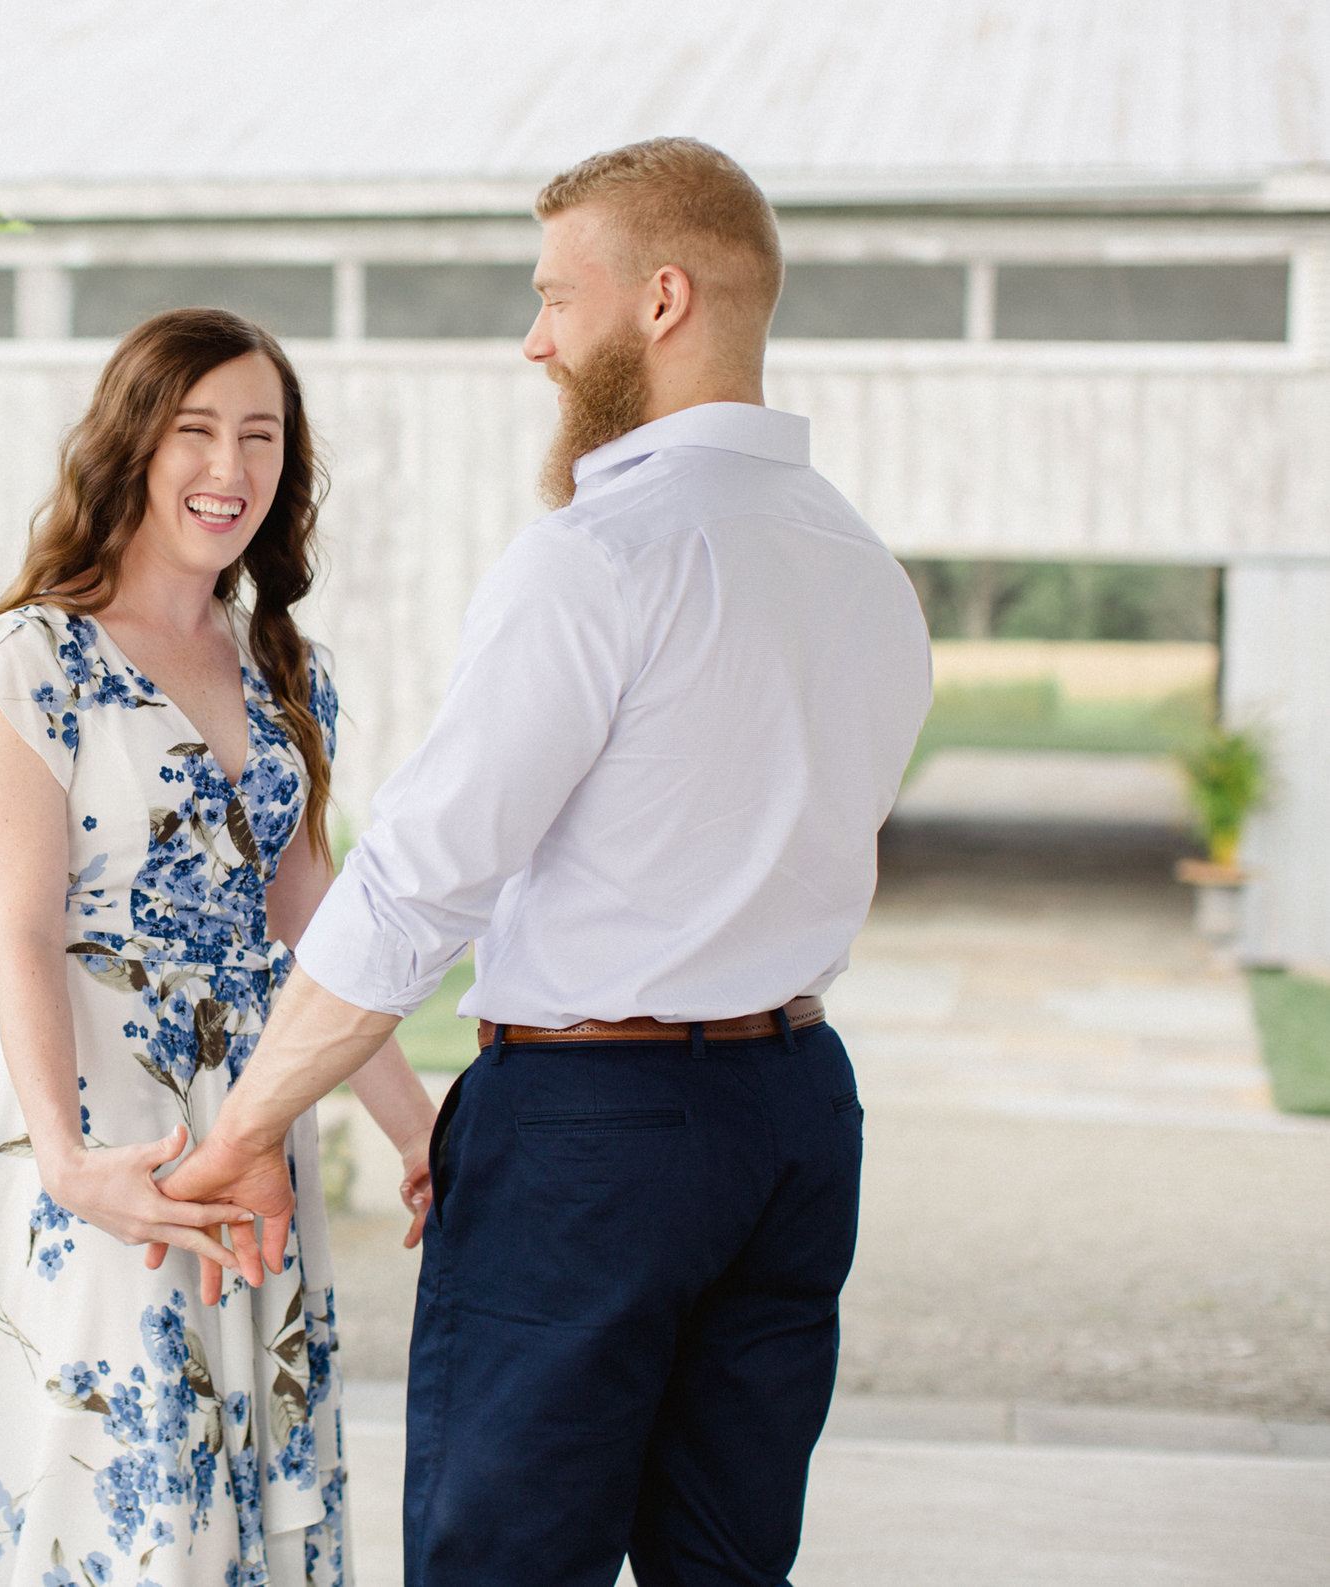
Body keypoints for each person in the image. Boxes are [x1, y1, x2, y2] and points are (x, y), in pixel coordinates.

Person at [159, 139, 935, 1585]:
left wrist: (247, 1126)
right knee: (728, 1563)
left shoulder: (600, 556)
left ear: (660, 299)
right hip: (797, 1118)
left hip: (593, 1135)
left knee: (504, 1562)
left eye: (553, 300)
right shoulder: (864, 567)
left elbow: (419, 881)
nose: (534, 340)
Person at [0, 307, 439, 1587]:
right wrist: (73, 1158)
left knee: (244, 1457)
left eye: (260, 437)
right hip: (103, 1121)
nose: (230, 468)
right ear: (131, 445)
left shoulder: (282, 667)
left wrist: (418, 1127)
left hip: (254, 1113)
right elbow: (23, 940)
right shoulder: (30, 662)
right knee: (124, 1476)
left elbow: (317, 926)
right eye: (196, 430)